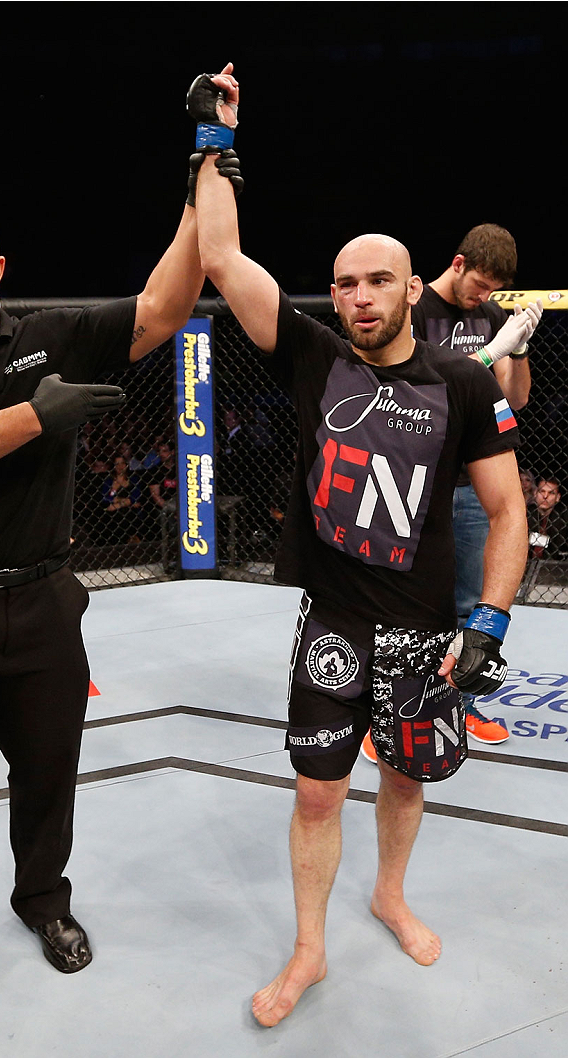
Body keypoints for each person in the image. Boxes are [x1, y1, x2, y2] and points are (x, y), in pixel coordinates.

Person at [191, 64, 529, 1027]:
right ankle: (309, 949)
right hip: (331, 620)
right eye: (344, 282)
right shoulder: (313, 356)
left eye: (379, 278)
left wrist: (492, 617)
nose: (360, 295)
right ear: (332, 296)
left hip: (423, 626)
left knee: (408, 775)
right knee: (313, 795)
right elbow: (221, 258)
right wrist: (216, 139)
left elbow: (505, 512)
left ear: (414, 288)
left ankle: (389, 894)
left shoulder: (463, 383)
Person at [0, 181, 211, 1025]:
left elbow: (167, 304)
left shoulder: (53, 335)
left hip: (47, 598)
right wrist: (34, 416)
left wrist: (203, 177)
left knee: (49, 770)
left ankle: (43, 901)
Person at [406, 225, 541, 746]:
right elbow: (417, 386)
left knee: (469, 602)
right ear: (458, 264)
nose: (483, 297)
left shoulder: (488, 316)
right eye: (479, 284)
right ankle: (393, 716)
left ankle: (459, 711)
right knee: (412, 606)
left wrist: (519, 348)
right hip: (415, 479)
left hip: (469, 482)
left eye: (492, 290)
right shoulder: (416, 309)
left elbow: (517, 398)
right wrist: (487, 355)